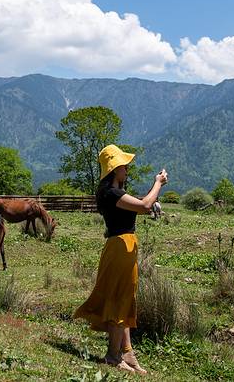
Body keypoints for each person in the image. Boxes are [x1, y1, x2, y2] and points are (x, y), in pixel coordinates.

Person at [74, 144, 168, 374]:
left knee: (125, 297)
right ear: (115, 169)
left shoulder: (114, 193)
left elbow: (142, 205)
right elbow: (145, 205)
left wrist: (153, 193)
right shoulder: (112, 194)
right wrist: (158, 183)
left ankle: (127, 352)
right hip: (120, 247)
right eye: (124, 165)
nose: (127, 169)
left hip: (122, 246)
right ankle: (113, 355)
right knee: (120, 298)